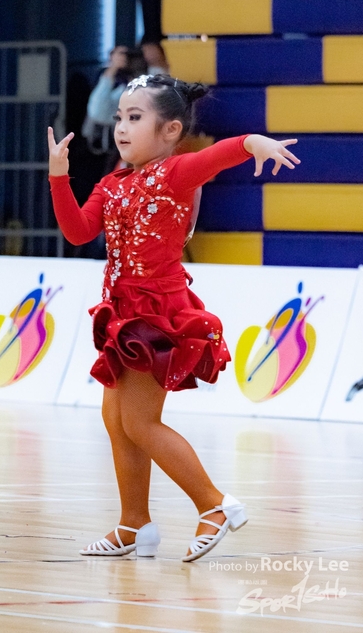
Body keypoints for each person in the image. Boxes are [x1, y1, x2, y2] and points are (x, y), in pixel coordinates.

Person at [48, 74, 300, 562]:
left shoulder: (176, 173)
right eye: (119, 118)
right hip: (120, 312)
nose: (122, 128)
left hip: (155, 315)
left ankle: (214, 504)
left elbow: (220, 154)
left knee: (140, 422)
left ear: (170, 130)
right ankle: (133, 524)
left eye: (135, 117)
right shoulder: (111, 184)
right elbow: (77, 232)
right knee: (115, 419)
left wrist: (253, 142)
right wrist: (60, 177)